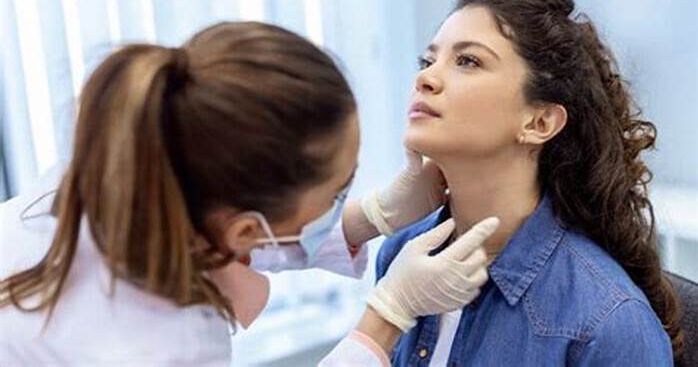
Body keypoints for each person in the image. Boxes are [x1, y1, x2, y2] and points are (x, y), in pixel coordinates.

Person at [0, 21, 498, 366]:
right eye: (335, 194)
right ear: (245, 229)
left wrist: (368, 217)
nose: (425, 77)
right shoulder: (161, 349)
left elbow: (211, 233)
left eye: (469, 60)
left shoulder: (116, 176)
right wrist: (386, 317)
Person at [376, 0, 681, 366]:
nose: (425, 78)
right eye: (428, 60)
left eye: (468, 61)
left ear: (539, 122)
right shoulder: (400, 255)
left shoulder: (609, 324)